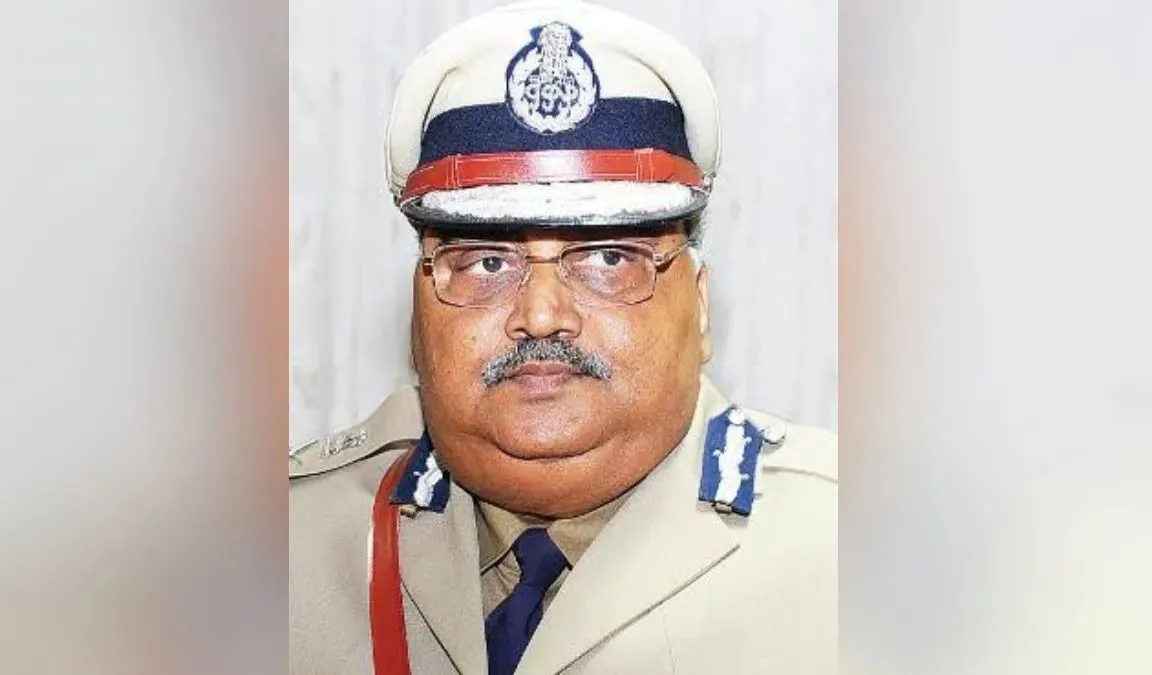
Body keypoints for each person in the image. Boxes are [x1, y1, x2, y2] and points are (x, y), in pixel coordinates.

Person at [289, 1, 836, 673]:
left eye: (608, 257)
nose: (542, 314)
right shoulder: (291, 549)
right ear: (416, 316)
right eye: (487, 262)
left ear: (699, 308)